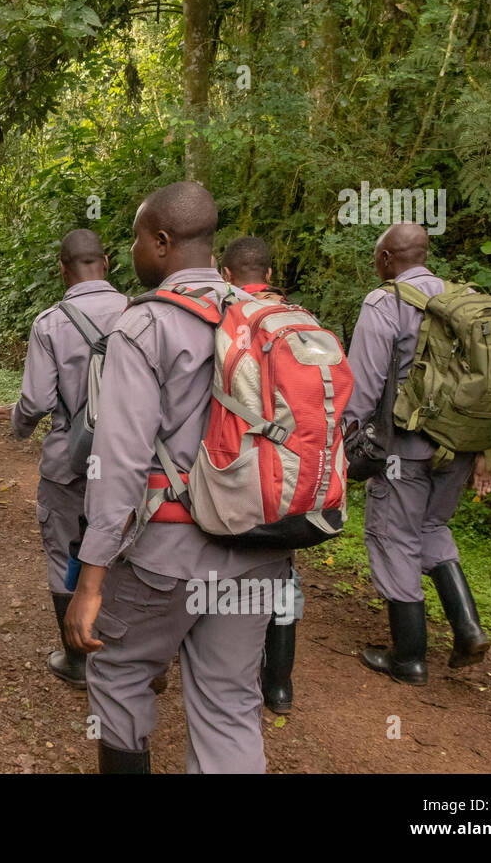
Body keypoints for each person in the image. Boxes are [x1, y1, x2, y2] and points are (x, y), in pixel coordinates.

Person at [63, 182, 291, 774]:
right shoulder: (264, 318)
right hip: (259, 546)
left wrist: (89, 584)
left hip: (168, 552)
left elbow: (118, 465)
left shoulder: (145, 327)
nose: (132, 248)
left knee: (118, 672)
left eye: (138, 237)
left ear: (161, 242)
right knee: (231, 703)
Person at [344, 222, 491, 685]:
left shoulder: (384, 301)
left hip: (402, 451)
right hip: (460, 444)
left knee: (395, 537)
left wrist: (344, 437)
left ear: (388, 258)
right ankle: (467, 627)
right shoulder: (462, 301)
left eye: (377, 257)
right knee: (432, 526)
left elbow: (364, 383)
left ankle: (409, 657)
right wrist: (486, 449)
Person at [0, 229, 127, 689]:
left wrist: (19, 427)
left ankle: (77, 660)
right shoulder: (142, 314)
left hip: (71, 461)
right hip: (130, 460)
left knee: (68, 549)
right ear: (106, 262)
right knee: (126, 548)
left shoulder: (51, 322)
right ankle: (132, 655)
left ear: (62, 269)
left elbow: (38, 399)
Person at [219, 235, 302, 715]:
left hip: (244, 468)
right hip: (297, 471)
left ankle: (230, 670)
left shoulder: (230, 322)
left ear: (225, 276)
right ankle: (280, 685)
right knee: (284, 570)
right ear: (269, 276)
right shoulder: (303, 323)